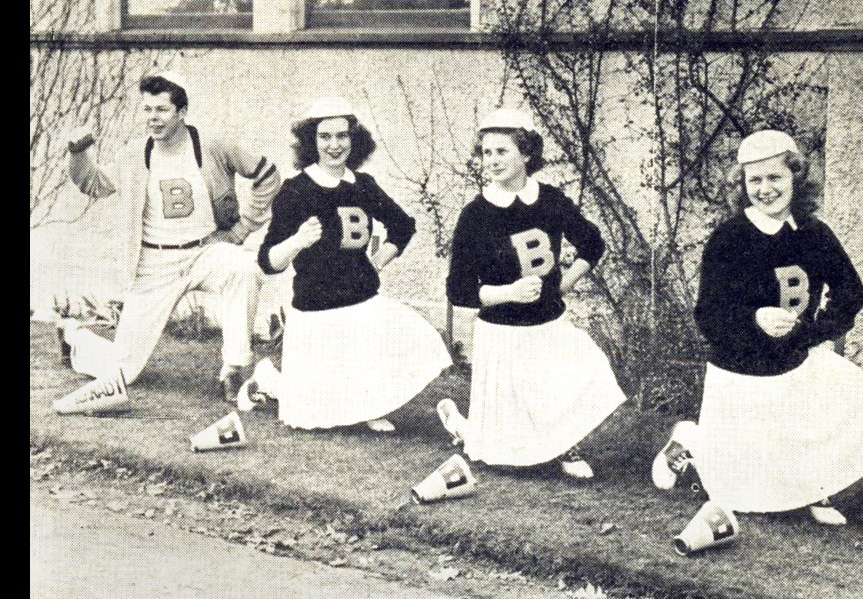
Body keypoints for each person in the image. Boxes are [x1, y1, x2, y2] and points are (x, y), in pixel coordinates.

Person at [652, 129, 863, 524]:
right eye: (755, 179)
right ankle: (690, 442)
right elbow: (709, 314)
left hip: (795, 362)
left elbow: (850, 293)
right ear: (741, 184)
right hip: (739, 369)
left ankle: (815, 487)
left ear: (796, 179)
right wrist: (754, 319)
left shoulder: (814, 235)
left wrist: (810, 334)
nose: (765, 189)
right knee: (735, 494)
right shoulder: (730, 238)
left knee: (861, 408)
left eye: (775, 178)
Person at [57, 71, 281, 408]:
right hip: (154, 263)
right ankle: (75, 338)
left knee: (244, 269)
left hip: (203, 252)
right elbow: (94, 184)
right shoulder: (135, 153)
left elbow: (267, 175)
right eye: (147, 110)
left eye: (161, 110)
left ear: (181, 112)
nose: (153, 118)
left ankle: (234, 368)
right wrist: (78, 152)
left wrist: (243, 228)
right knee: (123, 371)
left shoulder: (212, 147)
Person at [438, 108, 627, 479]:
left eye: (501, 151)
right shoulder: (476, 214)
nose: (491, 161)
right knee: (500, 452)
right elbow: (459, 290)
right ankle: (460, 424)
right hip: (502, 332)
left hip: (549, 323)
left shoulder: (551, 200)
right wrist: (509, 292)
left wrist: (563, 284)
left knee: (583, 375)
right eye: (486, 153)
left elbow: (592, 244)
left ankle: (566, 444)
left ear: (526, 153)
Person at [253, 97, 451, 433]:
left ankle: (369, 404)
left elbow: (403, 226)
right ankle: (268, 380)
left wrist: (376, 264)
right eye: (325, 137)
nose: (334, 145)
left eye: (342, 136)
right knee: (310, 416)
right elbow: (268, 261)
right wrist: (298, 241)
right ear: (311, 142)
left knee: (422, 341)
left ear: (353, 139)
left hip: (362, 304)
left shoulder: (363, 186)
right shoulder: (296, 190)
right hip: (316, 310)